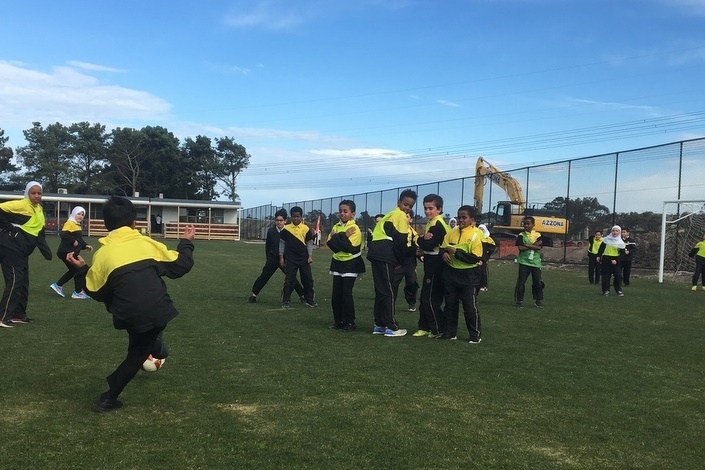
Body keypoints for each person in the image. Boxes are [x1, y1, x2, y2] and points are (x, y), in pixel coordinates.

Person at [66, 196, 195, 412]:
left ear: (106, 224)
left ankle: (110, 395)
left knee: (138, 348)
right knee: (140, 351)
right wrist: (186, 241)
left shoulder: (103, 254)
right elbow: (181, 265)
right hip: (157, 310)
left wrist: (81, 269)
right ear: (135, 222)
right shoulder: (146, 243)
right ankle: (111, 394)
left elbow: (95, 291)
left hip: (130, 314)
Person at [0, 181, 53, 328]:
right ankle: (3, 317)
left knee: (23, 283)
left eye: (39, 193)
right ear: (27, 193)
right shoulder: (21, 205)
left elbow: (39, 234)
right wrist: (10, 229)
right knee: (15, 281)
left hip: (22, 252)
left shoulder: (39, 210)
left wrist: (46, 252)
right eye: (33, 193)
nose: (36, 196)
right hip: (9, 247)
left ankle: (18, 315)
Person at [367, 189, 417, 337]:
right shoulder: (400, 215)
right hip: (384, 253)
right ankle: (391, 327)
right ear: (399, 202)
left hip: (375, 253)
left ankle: (379, 325)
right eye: (405, 204)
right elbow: (401, 241)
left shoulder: (389, 214)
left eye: (410, 206)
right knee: (388, 289)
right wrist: (401, 260)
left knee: (381, 289)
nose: (407, 208)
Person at [438, 205, 483, 343]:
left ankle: (475, 335)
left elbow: (476, 258)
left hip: (469, 275)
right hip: (451, 273)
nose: (461, 220)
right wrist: (444, 253)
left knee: (469, 306)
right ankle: (450, 333)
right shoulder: (452, 232)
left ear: (472, 219)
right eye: (459, 217)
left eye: (464, 217)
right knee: (450, 304)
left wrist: (456, 252)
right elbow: (443, 247)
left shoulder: (476, 235)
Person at [247, 209, 305, 304]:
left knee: (292, 278)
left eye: (281, 220)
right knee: (264, 276)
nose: (279, 222)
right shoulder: (271, 231)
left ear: (285, 221)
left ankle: (302, 296)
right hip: (272, 259)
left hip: (285, 260)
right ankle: (254, 295)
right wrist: (268, 259)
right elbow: (268, 246)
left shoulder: (288, 231)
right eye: (277, 220)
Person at [327, 200, 366, 332]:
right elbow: (331, 245)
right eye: (340, 211)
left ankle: (350, 322)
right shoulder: (336, 226)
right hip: (337, 264)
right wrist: (343, 236)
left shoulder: (354, 229)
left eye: (345, 211)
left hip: (351, 264)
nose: (342, 214)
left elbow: (349, 248)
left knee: (346, 294)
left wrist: (336, 237)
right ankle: (338, 321)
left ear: (353, 213)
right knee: (336, 295)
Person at [414, 194, 449, 338]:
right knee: (424, 297)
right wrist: (423, 240)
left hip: (437, 264)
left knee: (430, 298)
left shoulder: (438, 224)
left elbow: (429, 244)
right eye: (425, 208)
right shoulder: (431, 223)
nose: (427, 211)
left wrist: (420, 239)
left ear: (439, 209)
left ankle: (438, 328)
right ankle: (425, 327)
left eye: (431, 208)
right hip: (430, 262)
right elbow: (426, 244)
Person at [50, 206, 93, 299]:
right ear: (74, 213)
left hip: (70, 252)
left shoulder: (76, 224)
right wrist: (73, 241)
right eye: (79, 214)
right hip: (66, 252)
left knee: (74, 271)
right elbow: (63, 234)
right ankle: (77, 292)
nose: (81, 216)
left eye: (82, 214)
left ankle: (59, 285)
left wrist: (85, 246)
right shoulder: (70, 223)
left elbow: (79, 240)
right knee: (79, 270)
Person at [279, 206, 316, 308]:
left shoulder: (306, 229)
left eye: (297, 216)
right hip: (291, 258)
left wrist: (310, 256)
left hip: (304, 258)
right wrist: (281, 257)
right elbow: (281, 244)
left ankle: (309, 300)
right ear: (291, 217)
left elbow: (309, 243)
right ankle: (285, 300)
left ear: (301, 217)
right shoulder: (286, 229)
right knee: (289, 280)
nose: (295, 218)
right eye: (293, 216)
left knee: (307, 280)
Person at [514, 216, 544, 309]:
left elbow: (539, 247)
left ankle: (538, 300)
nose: (526, 225)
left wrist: (526, 245)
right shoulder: (521, 235)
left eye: (528, 224)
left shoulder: (537, 234)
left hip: (535, 262)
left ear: (533, 225)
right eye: (524, 224)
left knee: (537, 282)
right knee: (521, 282)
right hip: (524, 262)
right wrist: (533, 245)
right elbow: (520, 248)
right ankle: (519, 301)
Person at [393, 210, 419, 312]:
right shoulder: (396, 230)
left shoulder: (413, 232)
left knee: (412, 282)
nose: (405, 219)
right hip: (398, 261)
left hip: (410, 261)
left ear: (411, 219)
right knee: (393, 283)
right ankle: (390, 304)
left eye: (407, 217)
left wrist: (420, 255)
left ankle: (411, 302)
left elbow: (416, 246)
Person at [597, 225, 626, 296]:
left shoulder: (621, 242)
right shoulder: (606, 239)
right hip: (606, 259)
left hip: (616, 260)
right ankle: (606, 290)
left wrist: (617, 260)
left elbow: (622, 254)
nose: (615, 232)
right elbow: (601, 248)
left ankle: (618, 290)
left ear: (619, 232)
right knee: (606, 275)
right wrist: (598, 255)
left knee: (618, 275)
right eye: (613, 231)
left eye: (617, 231)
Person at [476, 223, 496, 293]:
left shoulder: (488, 238)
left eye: (482, 229)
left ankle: (484, 285)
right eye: (479, 229)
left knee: (483, 272)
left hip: (483, 259)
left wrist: (487, 257)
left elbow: (492, 248)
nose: (481, 230)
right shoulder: (475, 237)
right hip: (476, 258)